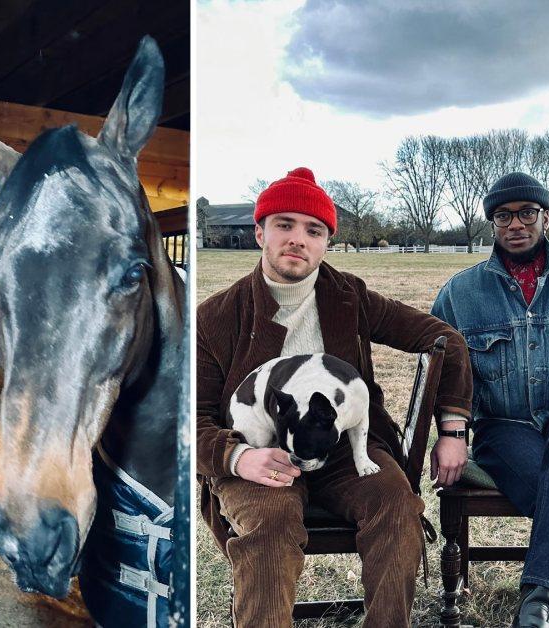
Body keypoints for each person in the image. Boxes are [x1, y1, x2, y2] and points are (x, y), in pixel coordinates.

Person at [196, 167, 473, 626]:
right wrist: (238, 457)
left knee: (396, 506)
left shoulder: (349, 297)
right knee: (271, 523)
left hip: (346, 451)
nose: (298, 240)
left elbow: (445, 340)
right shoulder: (217, 317)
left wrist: (453, 427)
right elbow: (193, 418)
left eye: (314, 230)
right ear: (259, 231)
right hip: (256, 451)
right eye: (284, 224)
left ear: (327, 241)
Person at [431, 173, 549, 628]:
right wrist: (453, 434)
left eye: (526, 213)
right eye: (503, 215)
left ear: (545, 217)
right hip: (503, 430)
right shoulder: (461, 293)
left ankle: (541, 601)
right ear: (492, 223)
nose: (516, 224)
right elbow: (445, 375)